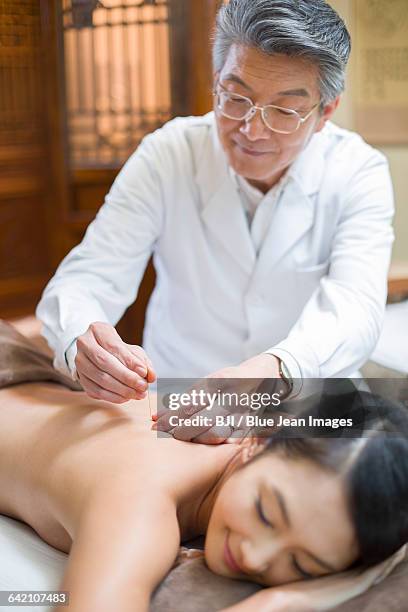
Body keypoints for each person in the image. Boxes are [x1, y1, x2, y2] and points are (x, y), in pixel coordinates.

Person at [36, 0, 394, 431]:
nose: (252, 130)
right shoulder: (169, 154)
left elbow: (356, 307)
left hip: (307, 414)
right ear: (216, 82)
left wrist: (274, 371)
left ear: (325, 112)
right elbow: (88, 275)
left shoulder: (358, 169)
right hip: (176, 401)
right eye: (236, 97)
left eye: (284, 110)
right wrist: (81, 336)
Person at [0, 374, 407, 611]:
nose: (255, 557)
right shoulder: (142, 498)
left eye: (301, 565)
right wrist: (273, 604)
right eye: (266, 513)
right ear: (258, 443)